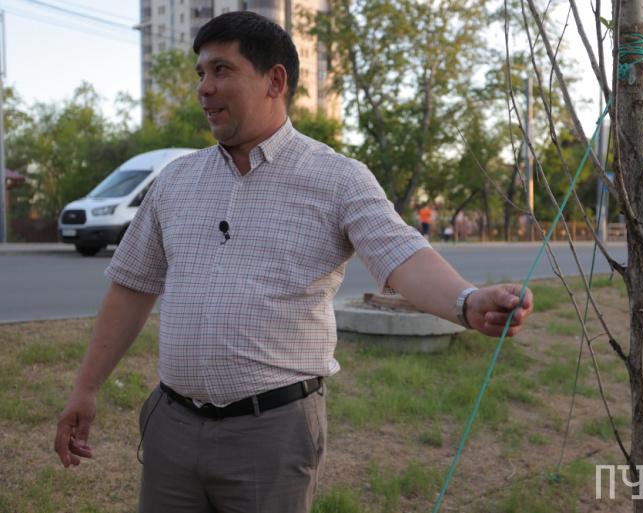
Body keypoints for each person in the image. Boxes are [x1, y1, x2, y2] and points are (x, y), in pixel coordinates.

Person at [54, 11, 533, 513]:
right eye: (201, 73)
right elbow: (131, 286)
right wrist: (85, 388)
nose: (204, 88)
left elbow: (401, 254)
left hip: (271, 436)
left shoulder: (338, 178)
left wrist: (466, 301)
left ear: (275, 81)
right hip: (170, 428)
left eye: (221, 70)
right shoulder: (175, 180)